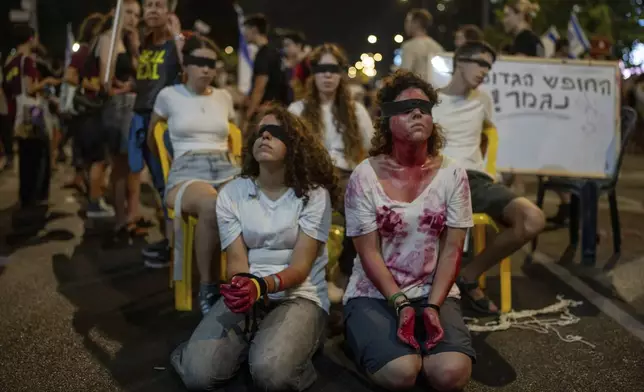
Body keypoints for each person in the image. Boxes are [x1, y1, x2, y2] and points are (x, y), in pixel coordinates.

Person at [171, 104, 337, 391]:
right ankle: (259, 342)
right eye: (260, 133)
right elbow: (237, 258)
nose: (265, 137)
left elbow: (300, 267)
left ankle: (295, 346)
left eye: (274, 132)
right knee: (197, 374)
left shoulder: (314, 195)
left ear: (294, 144)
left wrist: (261, 286)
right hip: (252, 291)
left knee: (270, 374)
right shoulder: (232, 193)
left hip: (300, 295)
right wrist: (241, 285)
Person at [342, 69, 474, 392]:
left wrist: (431, 306)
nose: (417, 112)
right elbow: (367, 251)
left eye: (425, 108)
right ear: (387, 120)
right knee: (402, 373)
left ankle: (408, 340)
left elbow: (452, 249)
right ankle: (360, 334)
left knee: (450, 373)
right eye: (406, 108)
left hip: (432, 292)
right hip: (375, 294)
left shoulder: (453, 174)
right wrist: (400, 303)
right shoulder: (365, 176)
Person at [433, 41, 545, 314]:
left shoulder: (484, 100)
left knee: (532, 219)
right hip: (438, 178)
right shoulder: (429, 100)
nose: (485, 70)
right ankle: (436, 288)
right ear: (459, 61)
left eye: (489, 66)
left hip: (477, 181)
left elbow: (490, 140)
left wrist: (508, 173)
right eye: (480, 62)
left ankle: (468, 275)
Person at [146, 35, 240, 314]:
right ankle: (208, 289)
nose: (206, 69)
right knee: (211, 204)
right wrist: (170, 163)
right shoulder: (169, 95)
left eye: (211, 63)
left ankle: (246, 282)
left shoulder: (224, 97)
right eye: (199, 63)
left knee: (253, 198)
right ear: (185, 66)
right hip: (187, 170)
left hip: (226, 165)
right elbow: (154, 136)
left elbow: (234, 133)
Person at [288, 43, 374, 302]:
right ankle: (312, 276)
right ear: (312, 74)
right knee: (312, 203)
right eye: (321, 69)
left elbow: (373, 148)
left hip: (345, 176)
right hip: (310, 176)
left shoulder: (355, 110)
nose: (327, 75)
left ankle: (345, 276)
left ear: (341, 74)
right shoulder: (297, 110)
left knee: (366, 209)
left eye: (333, 69)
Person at [131, 0, 184, 268]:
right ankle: (170, 241)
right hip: (141, 117)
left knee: (167, 185)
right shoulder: (145, 43)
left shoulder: (175, 45)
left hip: (162, 123)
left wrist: (178, 36)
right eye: (148, 5)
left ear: (169, 12)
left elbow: (189, 72)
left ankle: (174, 249)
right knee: (157, 184)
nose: (152, 10)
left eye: (158, 5)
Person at [89, 1, 141, 228]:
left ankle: (133, 213)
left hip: (134, 106)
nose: (133, 19)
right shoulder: (108, 40)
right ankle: (121, 217)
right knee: (120, 166)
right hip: (118, 108)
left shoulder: (132, 42)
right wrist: (127, 87)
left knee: (135, 166)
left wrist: (136, 48)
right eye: (128, 12)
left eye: (136, 15)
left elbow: (141, 74)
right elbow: (105, 81)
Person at [3, 25, 60, 207]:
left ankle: (26, 198)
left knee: (25, 158)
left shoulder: (9, 62)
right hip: (32, 113)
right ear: (30, 39)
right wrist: (47, 82)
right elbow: (30, 88)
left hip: (17, 114)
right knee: (38, 155)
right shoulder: (27, 61)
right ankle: (35, 200)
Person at [60, 13, 104, 194]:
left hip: (95, 107)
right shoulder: (84, 50)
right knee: (95, 156)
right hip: (88, 107)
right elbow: (70, 76)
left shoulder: (96, 50)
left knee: (90, 153)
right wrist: (89, 84)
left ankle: (86, 185)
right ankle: (93, 194)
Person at [241, 14, 288, 131]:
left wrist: (248, 117)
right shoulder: (275, 52)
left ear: (254, 30)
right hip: (278, 108)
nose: (244, 34)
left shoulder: (263, 55)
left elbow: (259, 87)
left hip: (266, 110)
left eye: (245, 30)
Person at [400, 8, 444, 83]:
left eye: (407, 21)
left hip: (416, 91)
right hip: (433, 90)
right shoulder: (438, 47)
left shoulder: (409, 46)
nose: (405, 24)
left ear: (416, 23)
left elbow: (404, 75)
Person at [282, 30, 310, 102]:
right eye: (284, 46)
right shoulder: (284, 65)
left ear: (298, 46)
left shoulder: (307, 63)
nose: (285, 49)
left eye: (288, 45)